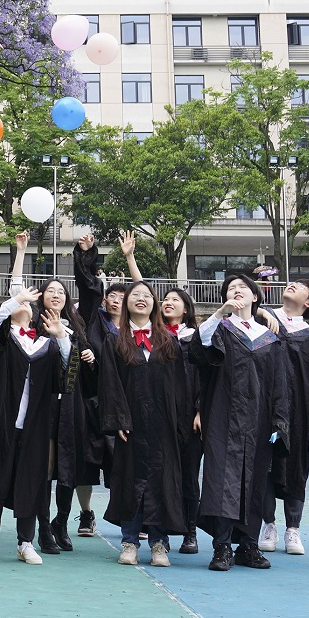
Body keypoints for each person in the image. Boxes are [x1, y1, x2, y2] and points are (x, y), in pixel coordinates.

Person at [0, 232, 84, 566]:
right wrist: (18, 269)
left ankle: (25, 542)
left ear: (34, 315)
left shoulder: (47, 344)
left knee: (30, 482)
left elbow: (67, 376)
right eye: (19, 304)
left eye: (28, 305)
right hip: (2, 421)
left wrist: (61, 338)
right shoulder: (2, 340)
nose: (23, 306)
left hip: (35, 425)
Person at [191, 273, 291, 572]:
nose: (236, 291)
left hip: (260, 420)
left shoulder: (269, 337)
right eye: (230, 288)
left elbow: (279, 383)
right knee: (221, 479)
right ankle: (222, 546)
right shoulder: (220, 329)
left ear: (255, 297)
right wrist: (220, 313)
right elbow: (199, 348)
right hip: (223, 417)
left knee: (255, 481)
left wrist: (280, 422)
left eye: (242, 287)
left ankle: (248, 545)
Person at [98, 281, 189, 567]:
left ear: (154, 303)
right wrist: (119, 419)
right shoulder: (115, 340)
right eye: (135, 295)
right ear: (126, 303)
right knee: (130, 482)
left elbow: (180, 385)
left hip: (163, 423)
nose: (141, 299)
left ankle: (159, 544)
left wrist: (180, 422)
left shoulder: (168, 341)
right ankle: (129, 543)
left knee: (162, 482)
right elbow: (110, 382)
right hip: (132, 423)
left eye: (147, 295)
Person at [260, 276, 309, 557]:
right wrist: (262, 311)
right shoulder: (263, 321)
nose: (291, 285)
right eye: (292, 283)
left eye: (300, 286)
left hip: (297, 412)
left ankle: (293, 528)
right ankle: (268, 525)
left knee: (295, 468)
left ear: (308, 303)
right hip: (264, 408)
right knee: (265, 465)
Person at [65, 233, 122, 542]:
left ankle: (129, 515)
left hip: (120, 406)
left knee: (122, 464)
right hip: (89, 401)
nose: (117, 300)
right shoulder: (92, 321)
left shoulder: (136, 330)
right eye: (112, 296)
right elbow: (87, 288)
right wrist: (86, 255)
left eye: (123, 297)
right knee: (85, 463)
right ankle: (86, 512)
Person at [159, 287, 203, 554]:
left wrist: (200, 410)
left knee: (189, 476)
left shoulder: (196, 338)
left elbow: (205, 377)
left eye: (175, 300)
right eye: (165, 299)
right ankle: (160, 533)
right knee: (161, 475)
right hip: (161, 416)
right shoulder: (154, 336)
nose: (168, 302)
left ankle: (190, 532)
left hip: (189, 418)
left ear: (186, 309)